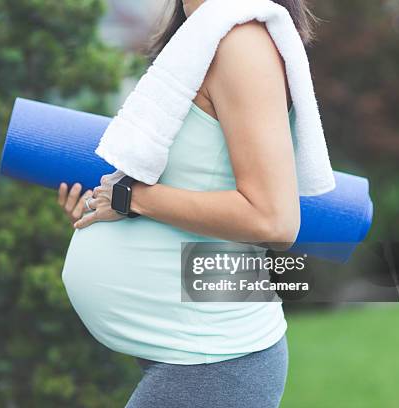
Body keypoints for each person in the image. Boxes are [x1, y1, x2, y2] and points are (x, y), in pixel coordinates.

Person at [58, 0, 317, 406]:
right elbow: (191, 180)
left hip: (216, 358)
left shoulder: (242, 45)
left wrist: (131, 199)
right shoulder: (201, 35)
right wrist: (105, 211)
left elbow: (274, 220)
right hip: (191, 349)